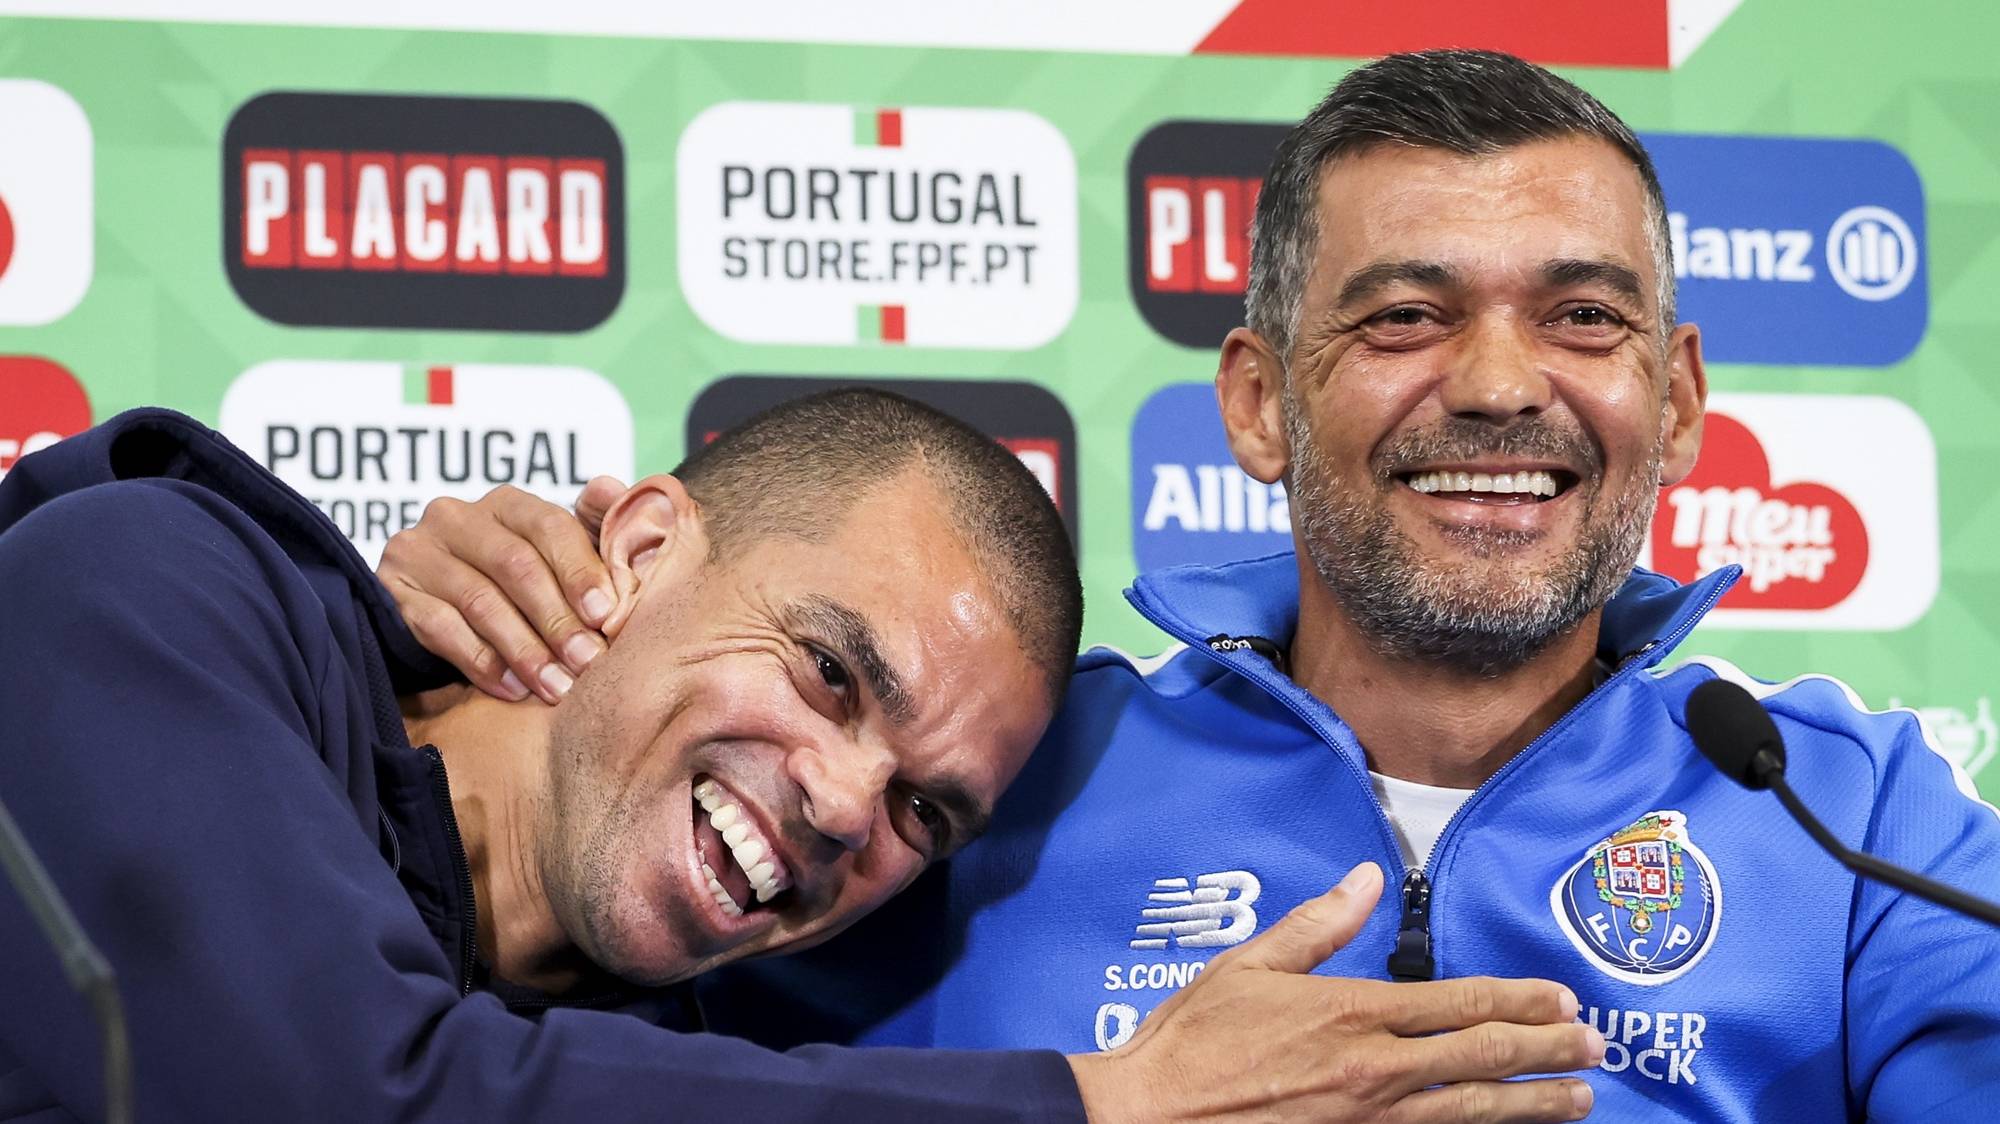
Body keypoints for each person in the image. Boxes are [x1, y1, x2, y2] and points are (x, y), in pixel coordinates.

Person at [387, 50, 2000, 1120]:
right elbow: (481, 985)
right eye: (1404, 318)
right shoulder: (974, 777)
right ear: (1254, 403)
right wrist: (443, 659)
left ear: (1682, 398)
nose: (1503, 385)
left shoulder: (1862, 830)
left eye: (1585, 317)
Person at [0, 388, 1598, 1122]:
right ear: (632, 545)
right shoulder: (145, 579)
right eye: (831, 670)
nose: (845, 806)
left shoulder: (716, 1033)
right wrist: (1095, 1107)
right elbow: (315, 1096)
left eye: (926, 808)